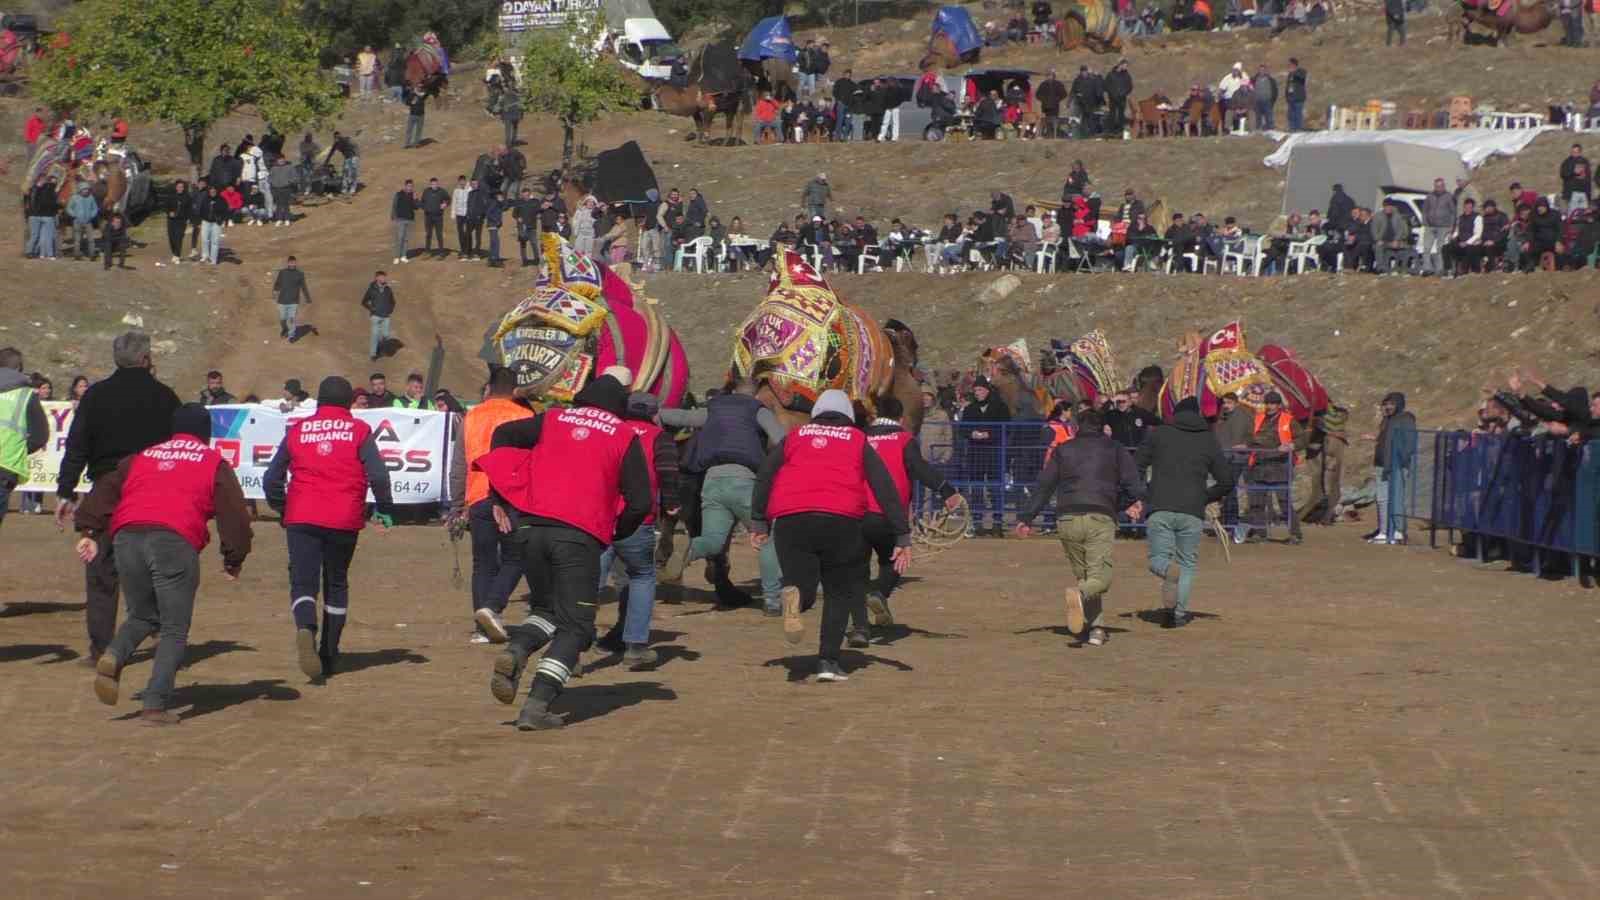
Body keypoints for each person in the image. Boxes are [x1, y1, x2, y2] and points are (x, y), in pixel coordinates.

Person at [477, 373, 652, 729]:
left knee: (547, 608)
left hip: (530, 528)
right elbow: (641, 501)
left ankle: (518, 649)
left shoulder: (553, 418)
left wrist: (503, 489)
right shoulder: (622, 434)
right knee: (577, 627)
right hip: (578, 536)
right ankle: (537, 705)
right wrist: (617, 530)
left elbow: (505, 435)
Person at [72, 405, 253, 725]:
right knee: (173, 627)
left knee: (142, 614)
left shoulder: (142, 456)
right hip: (173, 539)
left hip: (126, 537)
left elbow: (105, 490)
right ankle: (154, 704)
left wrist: (89, 530)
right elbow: (235, 514)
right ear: (205, 432)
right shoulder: (212, 461)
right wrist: (233, 558)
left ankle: (114, 654)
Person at [750, 389, 911, 682]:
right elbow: (883, 485)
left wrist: (760, 520)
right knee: (840, 591)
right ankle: (827, 662)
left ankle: (795, 601)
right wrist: (901, 534)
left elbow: (766, 473)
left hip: (791, 517)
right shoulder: (858, 439)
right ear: (848, 415)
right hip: (841, 518)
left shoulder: (796, 436)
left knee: (802, 584)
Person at [54, 332, 182, 664]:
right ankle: (160, 635)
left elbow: (77, 445)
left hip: (107, 489)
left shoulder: (96, 396)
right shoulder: (166, 397)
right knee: (156, 565)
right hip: (154, 488)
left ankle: (100, 649)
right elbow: (181, 446)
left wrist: (66, 491)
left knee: (101, 570)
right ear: (146, 359)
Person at [262, 376, 395, 681]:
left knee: (303, 581)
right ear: (349, 402)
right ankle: (329, 652)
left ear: (319, 401)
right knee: (336, 582)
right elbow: (378, 475)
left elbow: (272, 478)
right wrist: (384, 509)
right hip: (344, 517)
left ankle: (305, 627)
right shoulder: (360, 430)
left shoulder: (297, 430)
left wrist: (283, 507)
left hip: (301, 515)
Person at [1015, 408, 1145, 647]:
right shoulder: (1116, 449)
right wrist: (1138, 503)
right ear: (1104, 428)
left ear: (1075, 428)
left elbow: (1045, 485)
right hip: (1100, 515)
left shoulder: (1063, 450)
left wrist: (1026, 517)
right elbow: (1132, 483)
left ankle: (1096, 628)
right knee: (1099, 578)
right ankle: (1080, 595)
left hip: (1067, 518)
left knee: (1086, 574)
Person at [658, 375, 787, 614]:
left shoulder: (714, 409)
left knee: (714, 541)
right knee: (767, 538)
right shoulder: (757, 409)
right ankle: (772, 600)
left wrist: (656, 415)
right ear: (754, 395)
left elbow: (680, 417)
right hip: (744, 481)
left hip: (712, 481)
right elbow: (781, 439)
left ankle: (690, 550)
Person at [594, 391, 680, 666]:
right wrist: (672, 503)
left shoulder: (609, 431)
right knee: (642, 576)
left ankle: (575, 641)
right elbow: (668, 471)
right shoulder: (658, 436)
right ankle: (635, 646)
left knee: (589, 580)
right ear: (654, 414)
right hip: (638, 519)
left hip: (602, 517)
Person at [447, 366, 533, 643]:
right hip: (513, 498)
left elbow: (458, 464)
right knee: (516, 557)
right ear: (515, 390)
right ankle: (492, 607)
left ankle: (481, 629)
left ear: (490, 387)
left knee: (482, 563)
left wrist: (457, 505)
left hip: (477, 496)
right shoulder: (525, 415)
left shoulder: (471, 417)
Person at [1134, 397, 1235, 629]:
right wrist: (1205, 497)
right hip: (1192, 510)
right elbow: (1226, 480)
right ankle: (1177, 614)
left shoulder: (1158, 434)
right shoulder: (1207, 439)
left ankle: (1167, 572)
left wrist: (1143, 492)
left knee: (1158, 559)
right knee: (1187, 563)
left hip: (1160, 507)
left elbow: (1136, 465)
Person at [862, 396, 960, 632]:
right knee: (895, 561)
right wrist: (946, 490)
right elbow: (920, 469)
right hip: (890, 516)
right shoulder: (904, 439)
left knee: (857, 567)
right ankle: (879, 593)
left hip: (857, 512)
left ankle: (858, 625)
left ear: (874, 417)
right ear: (902, 419)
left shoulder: (860, 437)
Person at [1243, 391, 1305, 544]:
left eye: (1273, 404)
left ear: (1278, 405)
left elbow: (1302, 438)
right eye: (1268, 403)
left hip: (1280, 464)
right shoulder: (1257, 419)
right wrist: (1245, 445)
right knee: (1256, 501)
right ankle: (1259, 532)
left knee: (1284, 501)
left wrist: (1292, 445)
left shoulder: (1289, 420)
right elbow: (1251, 438)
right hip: (1259, 464)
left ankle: (1295, 534)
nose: (1270, 406)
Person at [0, 348, 49, 526]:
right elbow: (40, 436)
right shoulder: (27, 396)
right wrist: (19, 448)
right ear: (20, 368)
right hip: (5, 466)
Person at [961, 376, 1012, 536]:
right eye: (975, 390)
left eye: (980, 390)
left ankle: (997, 524)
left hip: (994, 453)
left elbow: (1007, 428)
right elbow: (962, 429)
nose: (978, 393)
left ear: (987, 390)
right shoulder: (969, 409)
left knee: (995, 489)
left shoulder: (1000, 407)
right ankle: (977, 524)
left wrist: (989, 435)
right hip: (976, 454)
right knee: (976, 490)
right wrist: (972, 434)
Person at [1366, 391, 1415, 545]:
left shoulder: (1405, 419)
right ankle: (1384, 530)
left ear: (1398, 404)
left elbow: (1409, 443)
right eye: (1386, 404)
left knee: (1397, 498)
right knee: (1382, 499)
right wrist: (1375, 438)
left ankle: (1398, 531)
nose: (1387, 407)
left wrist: (1401, 462)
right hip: (1382, 464)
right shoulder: (1387, 420)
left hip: (1397, 465)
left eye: (1391, 404)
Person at [1419, 178, 1455, 276]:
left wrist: (1452, 226)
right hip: (1430, 226)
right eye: (1436, 186)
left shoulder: (1449, 196)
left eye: (1440, 186)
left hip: (1444, 226)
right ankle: (1427, 268)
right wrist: (1424, 222)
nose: (1438, 188)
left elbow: (1453, 212)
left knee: (1440, 249)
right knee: (1426, 248)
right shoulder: (1429, 196)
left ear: (1444, 186)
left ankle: (1439, 269)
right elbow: (1425, 210)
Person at [272, 255, 312, 340]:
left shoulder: (300, 274)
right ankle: (285, 329)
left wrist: (308, 298)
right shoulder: (282, 272)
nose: (292, 264)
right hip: (282, 300)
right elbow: (277, 283)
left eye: (294, 262)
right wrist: (275, 292)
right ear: (288, 263)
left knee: (291, 318)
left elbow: (304, 287)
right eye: (290, 262)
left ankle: (291, 335)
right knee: (282, 319)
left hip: (293, 301)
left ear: (296, 263)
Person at [361, 271, 395, 362]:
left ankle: (379, 345)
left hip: (386, 316)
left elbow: (393, 301)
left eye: (384, 277)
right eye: (382, 277)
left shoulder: (388, 289)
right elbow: (364, 302)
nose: (384, 279)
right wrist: (371, 309)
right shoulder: (371, 289)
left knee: (385, 335)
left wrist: (390, 310)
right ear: (376, 278)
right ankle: (373, 354)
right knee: (374, 335)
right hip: (375, 316)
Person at [25, 173, 59, 260]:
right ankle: (31, 252)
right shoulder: (36, 189)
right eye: (42, 179)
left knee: (39, 236)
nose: (43, 181)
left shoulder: (43, 189)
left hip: (39, 214)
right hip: (37, 215)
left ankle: (35, 252)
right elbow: (33, 202)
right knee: (36, 235)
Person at [66, 184, 98, 261]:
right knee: (77, 239)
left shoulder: (91, 198)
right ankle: (76, 254)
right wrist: (74, 215)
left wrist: (91, 215)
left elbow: (95, 208)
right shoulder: (74, 198)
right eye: (84, 189)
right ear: (80, 190)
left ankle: (92, 254)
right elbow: (69, 208)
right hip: (77, 221)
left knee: (91, 239)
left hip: (88, 221)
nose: (86, 191)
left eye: (87, 189)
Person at [200, 185, 228, 265]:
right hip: (206, 222)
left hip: (216, 223)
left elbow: (225, 211)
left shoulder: (221, 200)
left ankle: (213, 259)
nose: (212, 193)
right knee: (204, 239)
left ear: (217, 191)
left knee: (215, 241)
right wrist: (201, 219)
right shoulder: (205, 199)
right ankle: (205, 256)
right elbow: (201, 209)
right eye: (211, 191)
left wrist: (223, 220)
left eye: (214, 191)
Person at [391, 179, 416, 265]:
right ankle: (396, 257)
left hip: (409, 219)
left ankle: (403, 256)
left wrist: (415, 199)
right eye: (408, 186)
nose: (410, 188)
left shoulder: (412, 195)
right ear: (405, 186)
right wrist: (393, 217)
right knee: (400, 238)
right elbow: (394, 205)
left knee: (406, 239)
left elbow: (416, 207)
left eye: (411, 186)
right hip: (400, 219)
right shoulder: (399, 194)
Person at [1036, 69, 1068, 138]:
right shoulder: (1043, 84)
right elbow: (1037, 95)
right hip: (1045, 106)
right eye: (1047, 75)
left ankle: (1055, 134)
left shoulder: (1058, 84)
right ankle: (1048, 134)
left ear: (1053, 76)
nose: (1049, 77)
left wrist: (1057, 100)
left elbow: (1064, 94)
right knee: (1047, 121)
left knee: (1054, 121)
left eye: (1050, 75)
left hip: (1055, 106)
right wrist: (1043, 100)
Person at [1561, 144, 1591, 211]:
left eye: (1576, 152)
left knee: (1582, 214)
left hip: (1583, 192)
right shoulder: (1567, 162)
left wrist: (1588, 195)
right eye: (1573, 152)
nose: (1574, 154)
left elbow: (1588, 178)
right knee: (1571, 214)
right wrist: (1574, 172)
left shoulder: (1585, 161)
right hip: (1571, 193)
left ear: (1580, 152)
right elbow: (1563, 174)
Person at [1252, 63, 1278, 131]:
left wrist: (1273, 99)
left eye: (1263, 70)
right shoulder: (1254, 79)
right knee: (1258, 116)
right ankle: (1258, 129)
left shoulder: (1270, 79)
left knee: (1269, 115)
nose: (1261, 71)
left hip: (1267, 100)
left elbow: (1275, 90)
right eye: (1260, 70)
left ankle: (1270, 128)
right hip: (1257, 100)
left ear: (1265, 71)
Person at [1285, 58, 1308, 132]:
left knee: (1298, 113)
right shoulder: (1290, 74)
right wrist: (1287, 95)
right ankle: (1292, 128)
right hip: (1291, 97)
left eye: (1290, 64)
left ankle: (1298, 128)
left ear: (1294, 65)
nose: (1289, 66)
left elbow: (1302, 79)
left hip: (1298, 97)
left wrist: (1294, 72)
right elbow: (1288, 85)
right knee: (1291, 114)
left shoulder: (1301, 71)